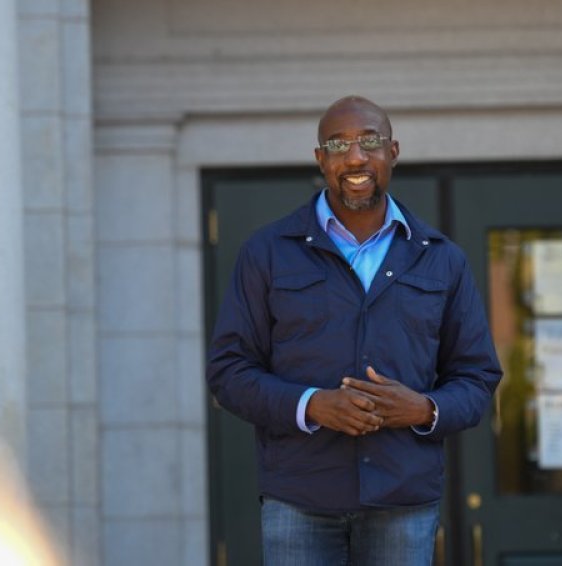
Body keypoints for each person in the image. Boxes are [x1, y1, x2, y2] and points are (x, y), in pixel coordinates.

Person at [206, 95, 502, 565]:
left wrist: (424, 409)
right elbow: (229, 372)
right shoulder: (267, 252)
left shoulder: (442, 258)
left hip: (404, 500)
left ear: (394, 152)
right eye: (338, 144)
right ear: (320, 159)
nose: (356, 157)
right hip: (299, 499)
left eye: (370, 142)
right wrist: (313, 405)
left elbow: (478, 377)